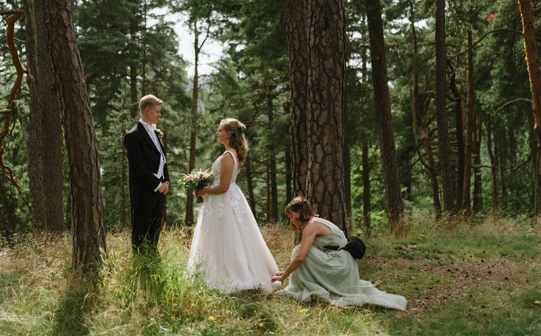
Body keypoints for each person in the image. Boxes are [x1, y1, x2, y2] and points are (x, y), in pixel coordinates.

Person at [188, 119, 279, 292]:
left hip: (224, 200)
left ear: (229, 134)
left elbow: (224, 187)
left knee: (226, 235)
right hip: (226, 199)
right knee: (223, 235)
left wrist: (203, 190)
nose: (217, 133)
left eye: (220, 130)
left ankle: (229, 273)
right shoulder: (230, 154)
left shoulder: (228, 156)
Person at [272, 197, 407, 310]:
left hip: (341, 264)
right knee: (300, 251)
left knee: (298, 251)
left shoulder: (312, 225)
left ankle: (298, 288)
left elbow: (300, 257)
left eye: (291, 216)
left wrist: (283, 277)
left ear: (299, 211)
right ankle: (304, 286)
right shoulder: (316, 222)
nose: (291, 220)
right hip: (344, 262)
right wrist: (289, 272)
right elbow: (308, 256)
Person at [125, 95, 170, 252]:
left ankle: (152, 259)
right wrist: (157, 185)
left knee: (155, 229)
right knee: (141, 231)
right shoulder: (133, 136)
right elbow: (138, 167)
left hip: (160, 190)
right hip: (143, 191)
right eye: (157, 112)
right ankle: (139, 261)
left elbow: (162, 159)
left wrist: (166, 182)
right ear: (147, 111)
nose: (159, 115)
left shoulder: (155, 132)